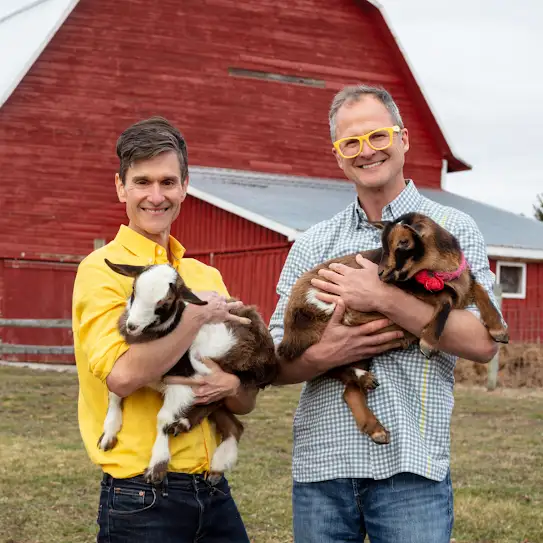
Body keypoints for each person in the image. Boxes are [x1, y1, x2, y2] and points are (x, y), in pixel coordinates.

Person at [269, 85, 503, 543]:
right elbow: (275, 362)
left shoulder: (453, 230)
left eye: (378, 136)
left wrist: (383, 296)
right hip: (323, 467)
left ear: (404, 139)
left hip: (411, 470)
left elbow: (482, 340)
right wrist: (329, 352)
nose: (366, 151)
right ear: (337, 155)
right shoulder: (312, 243)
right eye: (350, 142)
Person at [72, 116, 256, 542]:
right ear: (121, 187)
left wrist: (230, 383)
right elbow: (123, 375)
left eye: (168, 182)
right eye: (142, 182)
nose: (156, 196)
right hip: (142, 495)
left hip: (212, 489)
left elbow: (244, 398)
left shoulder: (205, 274)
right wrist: (195, 316)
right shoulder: (100, 270)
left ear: (185, 186)